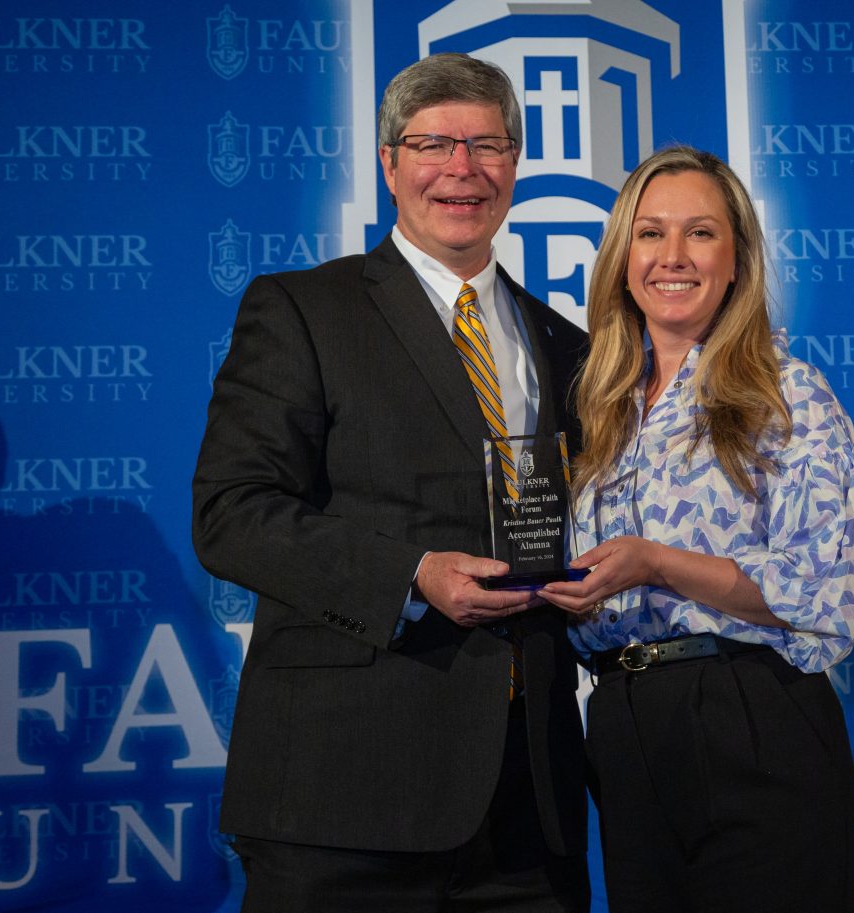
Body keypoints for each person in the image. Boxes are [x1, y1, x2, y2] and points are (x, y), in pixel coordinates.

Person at [193, 53, 589, 913]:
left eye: (487, 144)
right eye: (433, 143)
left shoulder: (568, 343)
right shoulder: (303, 309)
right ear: (388, 163)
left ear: (516, 164)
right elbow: (232, 513)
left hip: (529, 802)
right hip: (346, 793)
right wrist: (410, 574)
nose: (462, 168)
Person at [539, 146, 854, 913]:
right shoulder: (595, 405)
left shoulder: (785, 392)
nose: (673, 257)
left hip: (750, 713)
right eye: (651, 234)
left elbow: (828, 588)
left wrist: (657, 563)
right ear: (623, 259)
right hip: (624, 724)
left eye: (701, 233)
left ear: (737, 260)